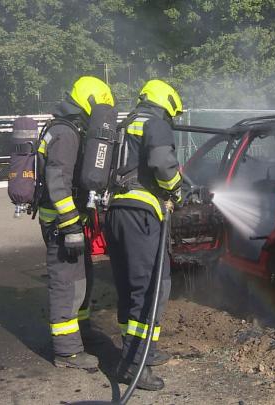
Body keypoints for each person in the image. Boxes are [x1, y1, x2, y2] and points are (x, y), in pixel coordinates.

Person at [103, 79, 183, 391]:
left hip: (117, 214)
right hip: (141, 217)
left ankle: (135, 352)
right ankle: (137, 366)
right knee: (151, 289)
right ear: (167, 104)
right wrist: (176, 189)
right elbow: (163, 164)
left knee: (129, 289)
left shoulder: (124, 125)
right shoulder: (156, 123)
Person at [37, 76, 115, 369]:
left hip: (67, 219)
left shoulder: (64, 127)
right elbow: (58, 182)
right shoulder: (65, 133)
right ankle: (67, 351)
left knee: (82, 276)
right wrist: (70, 224)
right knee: (65, 282)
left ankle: (81, 331)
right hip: (61, 223)